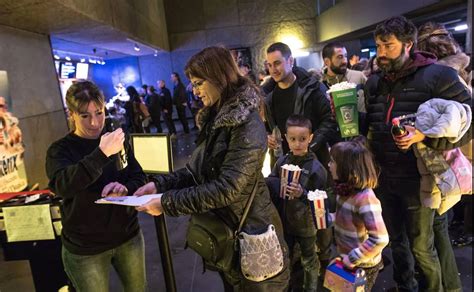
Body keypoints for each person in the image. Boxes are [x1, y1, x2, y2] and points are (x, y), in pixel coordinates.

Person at [134, 46, 290, 291]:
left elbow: (227, 188)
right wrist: (159, 186)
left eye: (198, 83)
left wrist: (166, 202)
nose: (194, 92)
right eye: (192, 85)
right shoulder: (216, 118)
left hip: (251, 231)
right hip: (229, 231)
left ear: (219, 77)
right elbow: (197, 171)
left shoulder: (246, 122)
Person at [364, 16, 471, 291]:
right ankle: (404, 287)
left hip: (421, 181)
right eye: (378, 46)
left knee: (423, 248)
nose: (381, 53)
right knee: (396, 242)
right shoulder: (375, 82)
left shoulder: (438, 76)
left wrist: (427, 137)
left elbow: (469, 122)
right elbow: (373, 124)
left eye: (388, 45)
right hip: (385, 179)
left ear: (408, 44)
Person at [45, 80, 147, 292]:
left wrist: (125, 188)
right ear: (71, 114)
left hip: (128, 236)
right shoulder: (60, 150)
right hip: (85, 248)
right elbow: (62, 185)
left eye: (99, 113)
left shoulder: (117, 140)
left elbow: (137, 175)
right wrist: (101, 154)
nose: (94, 122)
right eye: (85, 115)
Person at [416, 21, 472, 291]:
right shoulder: (461, 71)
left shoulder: (439, 75)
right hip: (457, 161)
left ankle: (449, 287)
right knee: (441, 228)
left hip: (441, 162)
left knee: (436, 231)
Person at [266, 114, 328, 291]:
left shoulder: (317, 168)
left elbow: (323, 199)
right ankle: (288, 285)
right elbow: (272, 179)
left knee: (309, 259)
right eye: (293, 139)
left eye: (302, 139)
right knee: (286, 256)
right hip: (286, 222)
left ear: (310, 138)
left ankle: (310, 288)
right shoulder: (282, 161)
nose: (297, 144)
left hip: (307, 225)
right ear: (286, 138)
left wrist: (303, 193)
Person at [328, 138, 389, 291]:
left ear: (346, 168)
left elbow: (380, 239)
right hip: (346, 257)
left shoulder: (365, 200)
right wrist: (327, 219)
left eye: (332, 162)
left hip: (363, 264)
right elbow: (345, 218)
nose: (329, 165)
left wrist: (353, 257)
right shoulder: (344, 191)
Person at [321, 42, 368, 113]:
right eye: (340, 57)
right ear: (327, 62)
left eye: (345, 56)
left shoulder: (359, 77)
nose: (345, 61)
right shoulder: (320, 86)